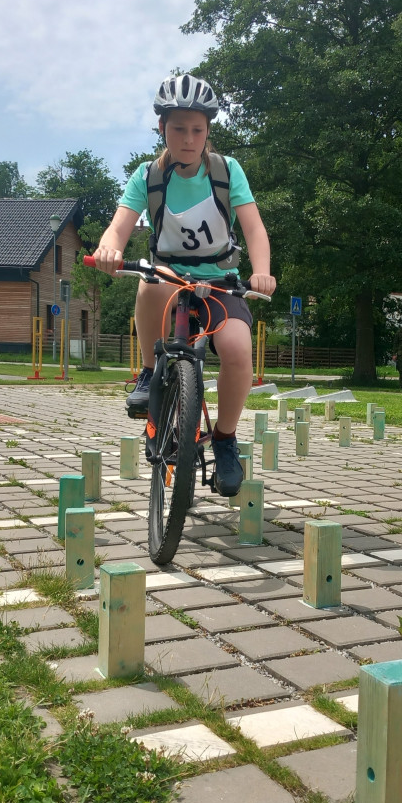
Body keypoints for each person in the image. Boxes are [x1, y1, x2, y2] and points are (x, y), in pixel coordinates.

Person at [92, 74, 276, 497]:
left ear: (208, 131)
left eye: (197, 130)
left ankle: (226, 440)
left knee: (236, 350)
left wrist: (261, 270)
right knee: (149, 281)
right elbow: (118, 228)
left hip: (220, 281)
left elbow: (254, 228)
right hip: (170, 277)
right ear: (162, 129)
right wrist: (107, 249)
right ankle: (148, 373)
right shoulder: (148, 176)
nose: (188, 139)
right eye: (178, 129)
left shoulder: (227, 172)